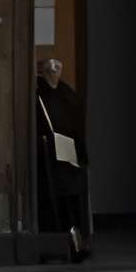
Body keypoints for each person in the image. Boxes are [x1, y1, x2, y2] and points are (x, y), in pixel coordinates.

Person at [35, 56, 91, 260]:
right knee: (50, 204)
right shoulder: (37, 94)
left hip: (68, 159)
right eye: (49, 68)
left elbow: (77, 128)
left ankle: (76, 245)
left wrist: (81, 157)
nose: (54, 71)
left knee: (71, 204)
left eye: (57, 67)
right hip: (46, 160)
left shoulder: (68, 95)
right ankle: (52, 247)